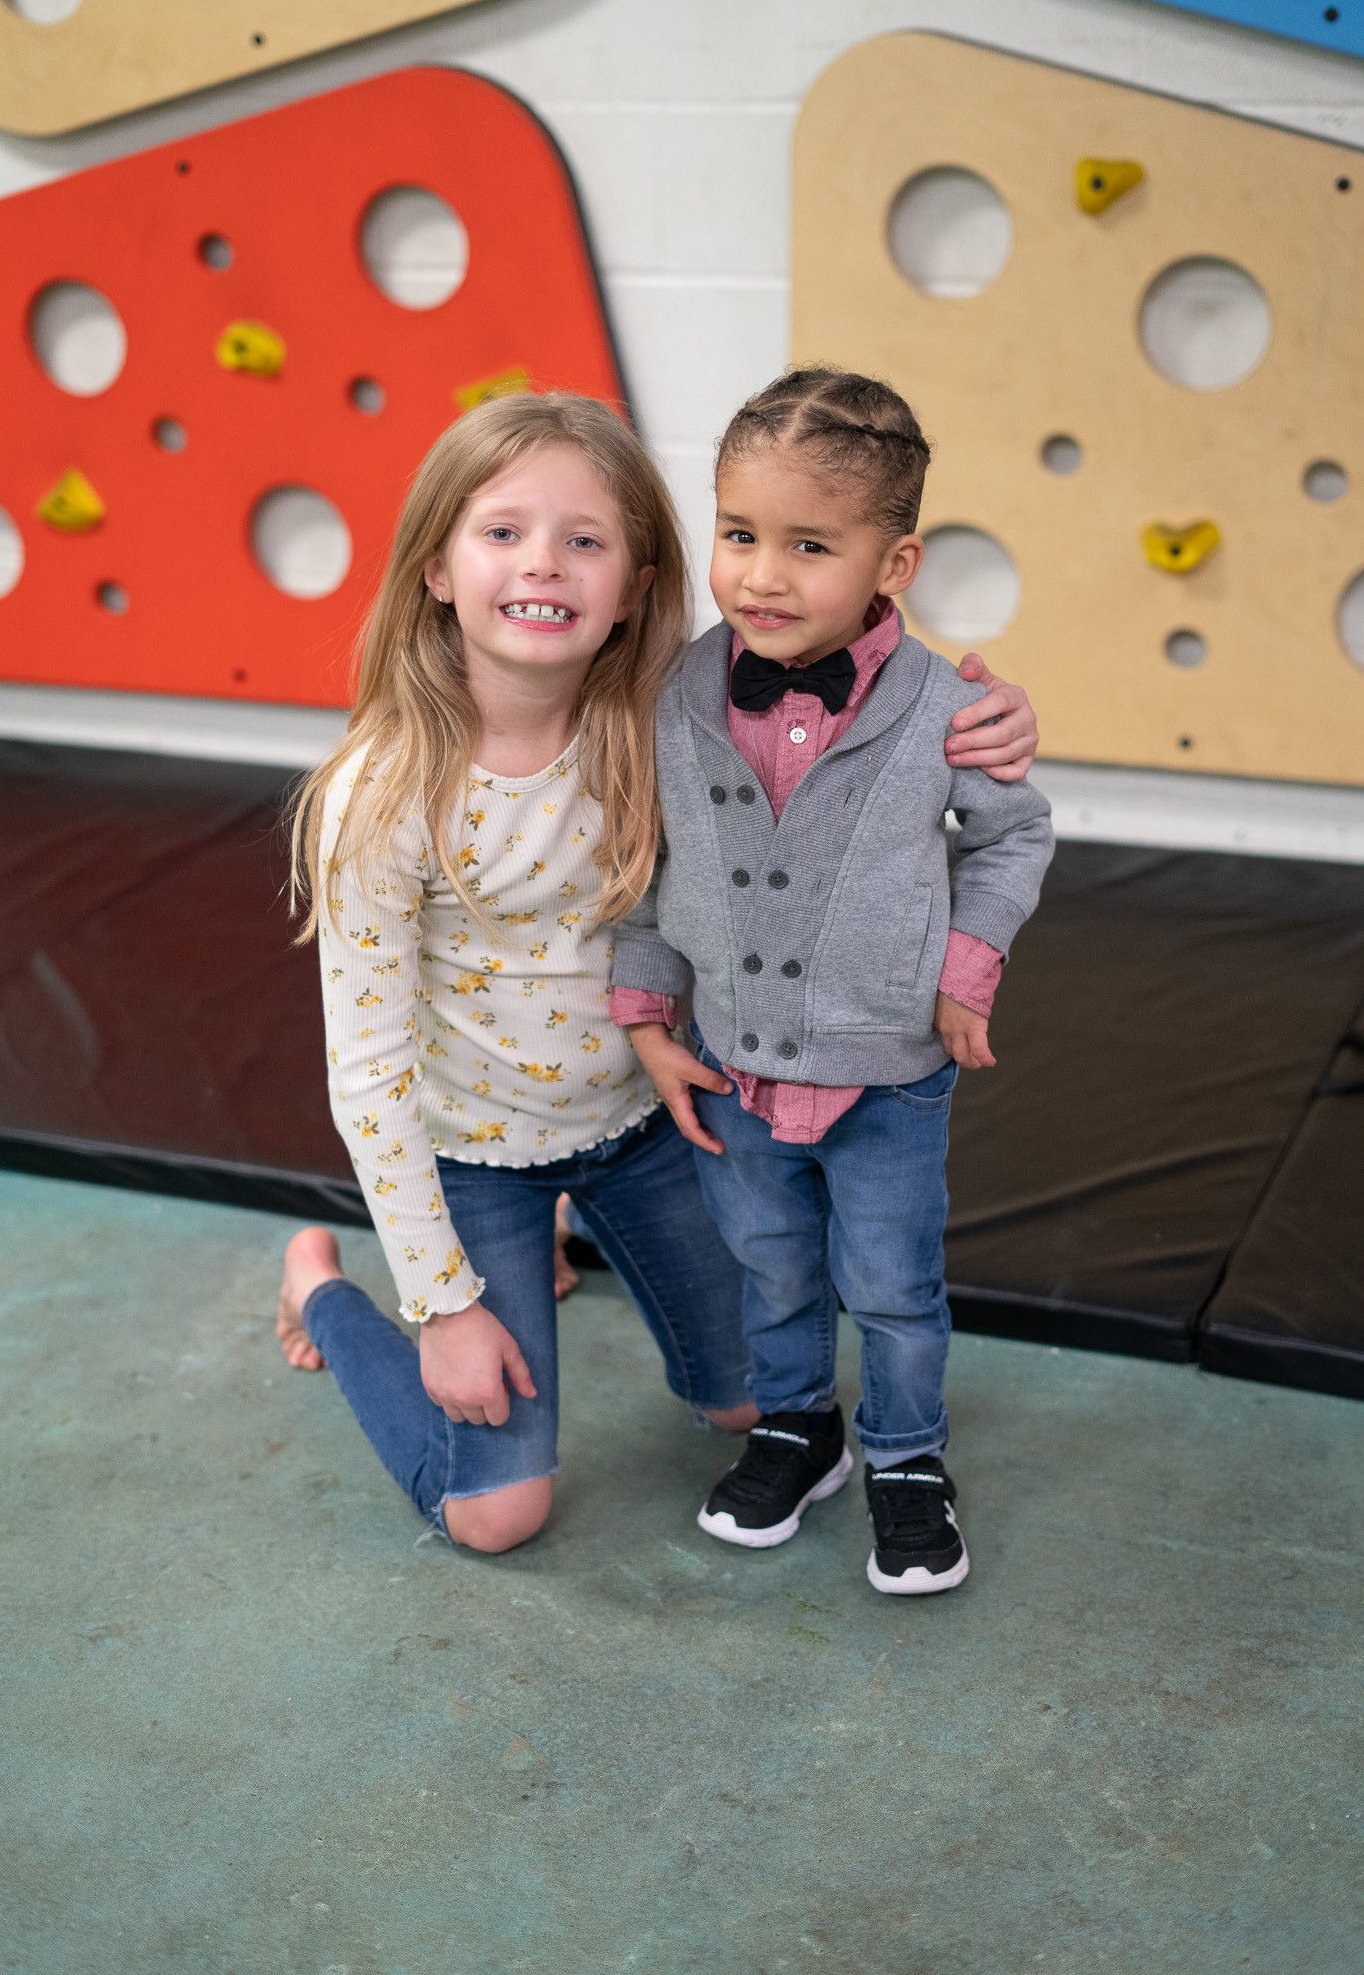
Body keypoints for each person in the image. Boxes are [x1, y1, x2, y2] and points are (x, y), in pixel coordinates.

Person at [275, 389, 1040, 1556]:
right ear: (435, 566)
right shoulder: (377, 798)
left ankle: (568, 1232)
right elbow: (366, 1076)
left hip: (645, 1122)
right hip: (478, 1152)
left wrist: (996, 720)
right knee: (495, 1515)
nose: (544, 564)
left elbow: (865, 712)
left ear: (633, 585)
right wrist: (442, 1300)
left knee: (755, 1400)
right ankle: (323, 1287)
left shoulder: (665, 707)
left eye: (584, 540)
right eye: (502, 533)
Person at [611, 368, 1054, 1594]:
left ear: (893, 564)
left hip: (890, 1077)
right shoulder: (675, 692)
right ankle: (799, 1428)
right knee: (772, 1265)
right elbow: (647, 862)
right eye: (739, 533)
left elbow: (1015, 835)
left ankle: (906, 1458)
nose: (761, 573)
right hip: (735, 1065)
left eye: (810, 545)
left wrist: (965, 971)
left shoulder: (949, 708)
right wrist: (646, 1012)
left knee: (893, 1288)